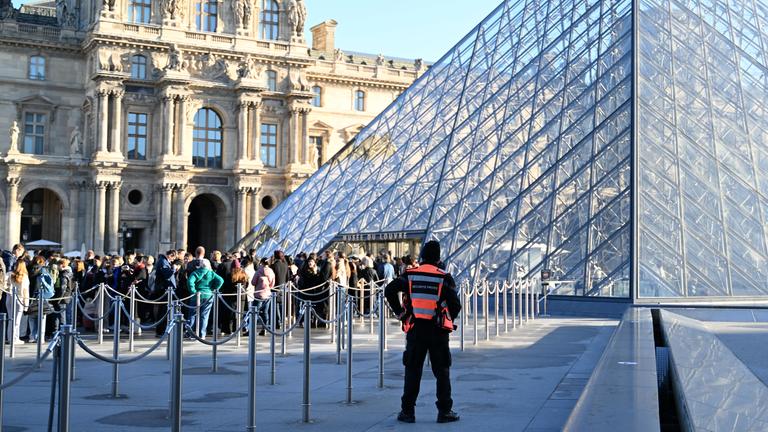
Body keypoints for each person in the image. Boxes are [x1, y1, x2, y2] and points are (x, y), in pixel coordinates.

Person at [384, 240, 461, 424]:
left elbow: (389, 290)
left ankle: (407, 412)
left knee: (413, 370)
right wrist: (446, 317)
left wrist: (401, 313)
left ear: (423, 256)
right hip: (437, 331)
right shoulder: (444, 277)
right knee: (442, 371)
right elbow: (456, 305)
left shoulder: (410, 275)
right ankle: (444, 411)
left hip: (416, 330)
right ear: (438, 258)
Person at [187, 261, 224, 339]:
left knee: (192, 315)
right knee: (204, 316)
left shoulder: (195, 272)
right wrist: (213, 288)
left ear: (200, 265)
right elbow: (221, 280)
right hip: (208, 295)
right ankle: (202, 334)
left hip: (196, 296)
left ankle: (190, 333)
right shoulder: (211, 273)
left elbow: (190, 282)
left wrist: (193, 291)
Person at [6, 260, 29, 344]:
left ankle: (10, 338)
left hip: (9, 297)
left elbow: (4, 285)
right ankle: (15, 338)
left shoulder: (9, 274)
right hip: (19, 299)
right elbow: (25, 291)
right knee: (17, 321)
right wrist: (26, 305)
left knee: (10, 319)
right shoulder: (24, 276)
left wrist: (9, 289)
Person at [251, 258, 275, 335]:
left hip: (258, 294)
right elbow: (272, 284)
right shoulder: (271, 271)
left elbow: (253, 282)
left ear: (261, 263)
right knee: (265, 312)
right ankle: (264, 328)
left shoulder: (258, 271)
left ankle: (252, 328)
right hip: (267, 294)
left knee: (254, 312)